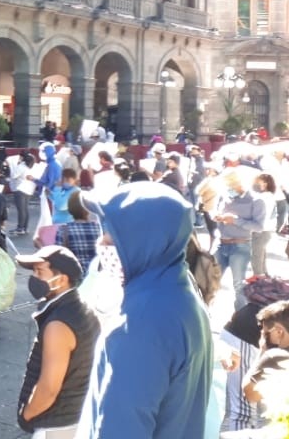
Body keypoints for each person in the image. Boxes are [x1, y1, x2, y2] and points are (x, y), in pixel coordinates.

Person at [77, 182, 212, 439]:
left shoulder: (139, 324)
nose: (102, 241)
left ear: (144, 238)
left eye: (111, 232)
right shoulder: (178, 291)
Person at [14, 246, 99, 439]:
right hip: (76, 415)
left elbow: (49, 387)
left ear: (61, 279)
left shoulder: (58, 325)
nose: (34, 278)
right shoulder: (81, 307)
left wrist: (27, 414)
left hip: (56, 426)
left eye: (40, 271)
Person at [243, 301, 289, 411]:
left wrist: (262, 352)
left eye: (266, 333)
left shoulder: (275, 357)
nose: (264, 338)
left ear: (279, 331)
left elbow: (250, 394)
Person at [214, 170, 267, 306]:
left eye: (232, 183)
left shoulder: (256, 200)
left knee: (239, 285)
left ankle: (241, 319)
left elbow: (259, 226)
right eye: (227, 183)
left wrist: (236, 220)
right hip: (221, 244)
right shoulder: (226, 197)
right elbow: (220, 217)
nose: (229, 186)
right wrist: (218, 218)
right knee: (210, 280)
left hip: (240, 246)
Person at [54, 191, 100, 272]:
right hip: (98, 276)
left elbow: (57, 257)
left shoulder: (64, 230)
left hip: (76, 278)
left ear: (70, 209)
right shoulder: (100, 228)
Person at [251, 174, 279, 277]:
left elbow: (259, 214)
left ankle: (258, 279)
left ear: (265, 184)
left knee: (257, 256)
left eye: (257, 181)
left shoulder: (264, 197)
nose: (255, 184)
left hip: (261, 229)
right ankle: (264, 276)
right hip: (266, 229)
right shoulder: (268, 196)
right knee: (261, 255)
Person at [8, 152, 35, 236]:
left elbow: (14, 175)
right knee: (25, 209)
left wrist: (11, 166)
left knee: (21, 209)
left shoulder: (21, 166)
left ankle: (20, 228)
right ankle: (25, 227)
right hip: (29, 189)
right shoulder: (31, 166)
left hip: (20, 189)